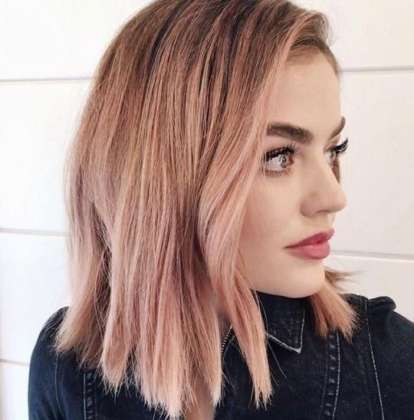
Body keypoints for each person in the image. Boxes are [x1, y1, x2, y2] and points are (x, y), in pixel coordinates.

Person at [28, 1, 414, 419]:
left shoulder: (386, 363)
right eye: (280, 156)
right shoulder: (67, 367)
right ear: (165, 175)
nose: (334, 197)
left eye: (333, 149)